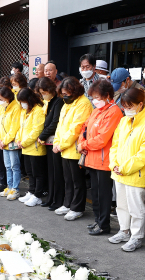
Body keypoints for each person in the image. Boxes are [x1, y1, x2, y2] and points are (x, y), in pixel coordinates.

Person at [106, 87, 145, 251]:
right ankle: (124, 230)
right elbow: (115, 145)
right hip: (120, 172)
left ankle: (136, 236)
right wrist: (114, 164)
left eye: (130, 106)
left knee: (136, 208)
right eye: (124, 107)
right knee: (121, 205)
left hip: (136, 173)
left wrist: (124, 168)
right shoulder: (124, 121)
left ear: (140, 104)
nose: (126, 109)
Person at [78, 80, 123, 235]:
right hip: (92, 157)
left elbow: (102, 139)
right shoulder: (97, 110)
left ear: (107, 95)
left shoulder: (114, 112)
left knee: (103, 195)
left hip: (104, 160)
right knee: (96, 194)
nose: (94, 100)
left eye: (97, 97)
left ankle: (104, 224)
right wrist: (82, 143)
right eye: (93, 97)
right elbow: (84, 128)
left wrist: (84, 145)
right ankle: (98, 220)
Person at [53, 77, 93, 220]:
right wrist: (57, 142)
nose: (64, 96)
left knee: (77, 181)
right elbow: (60, 125)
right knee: (68, 179)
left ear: (74, 91)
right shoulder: (67, 103)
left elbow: (76, 128)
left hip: (76, 148)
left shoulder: (83, 104)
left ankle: (77, 207)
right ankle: (68, 203)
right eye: (63, 93)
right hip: (65, 148)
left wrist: (61, 144)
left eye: (67, 93)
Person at [37, 77, 65, 209]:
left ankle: (57, 200)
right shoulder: (48, 102)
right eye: (41, 93)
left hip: (55, 140)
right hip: (48, 141)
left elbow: (55, 122)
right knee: (50, 172)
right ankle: (51, 198)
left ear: (50, 89)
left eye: (44, 92)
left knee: (57, 172)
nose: (43, 95)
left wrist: (42, 135)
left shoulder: (58, 101)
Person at [16, 88, 47, 206]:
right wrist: (19, 140)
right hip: (26, 147)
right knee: (30, 172)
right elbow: (21, 128)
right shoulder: (26, 111)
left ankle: (37, 195)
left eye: (23, 101)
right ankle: (32, 191)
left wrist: (24, 142)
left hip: (35, 147)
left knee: (37, 173)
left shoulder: (38, 110)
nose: (22, 104)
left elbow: (36, 130)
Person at [0, 86, 22, 200]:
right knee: (7, 166)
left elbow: (14, 128)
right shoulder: (4, 108)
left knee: (14, 166)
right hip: (4, 142)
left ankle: (15, 189)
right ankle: (9, 186)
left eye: (1, 99)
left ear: (8, 97)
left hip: (11, 142)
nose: (0, 101)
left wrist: (4, 141)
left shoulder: (16, 107)